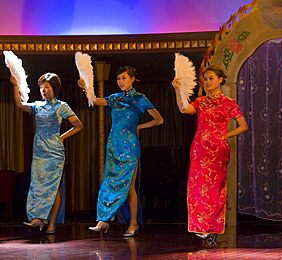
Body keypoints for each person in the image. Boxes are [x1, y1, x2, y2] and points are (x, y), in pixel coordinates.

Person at [78, 66, 163, 236]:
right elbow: (95, 101)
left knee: (129, 187)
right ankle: (104, 220)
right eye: (118, 79)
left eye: (124, 78)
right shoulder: (115, 98)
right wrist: (86, 88)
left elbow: (158, 119)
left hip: (130, 147)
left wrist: (139, 126)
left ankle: (133, 224)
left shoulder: (139, 98)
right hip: (113, 146)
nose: (121, 82)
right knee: (109, 182)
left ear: (132, 79)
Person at [172, 65, 248, 245]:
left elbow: (243, 125)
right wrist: (178, 91)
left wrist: (224, 135)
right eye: (205, 79)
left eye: (211, 78)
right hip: (199, 148)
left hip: (217, 151)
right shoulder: (201, 101)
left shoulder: (228, 102)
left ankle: (212, 228)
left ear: (221, 80)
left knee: (214, 189)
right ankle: (201, 227)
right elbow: (184, 109)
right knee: (198, 188)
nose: (207, 82)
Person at [10, 72, 83, 234]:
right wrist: (15, 86)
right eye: (41, 87)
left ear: (54, 88)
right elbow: (20, 105)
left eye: (47, 87)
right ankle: (38, 218)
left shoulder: (61, 106)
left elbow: (78, 125)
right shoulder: (38, 105)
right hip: (39, 151)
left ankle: (51, 222)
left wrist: (62, 137)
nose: (43, 90)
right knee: (37, 185)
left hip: (54, 151)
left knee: (53, 187)